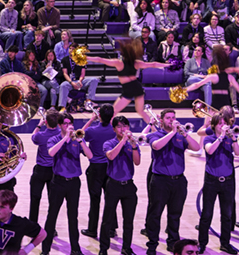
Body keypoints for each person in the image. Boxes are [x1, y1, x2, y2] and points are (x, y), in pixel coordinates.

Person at [144, 109, 200, 253]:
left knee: (175, 215)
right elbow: (156, 145)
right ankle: (152, 244)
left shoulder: (181, 136)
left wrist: (185, 134)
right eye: (168, 118)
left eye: (173, 117)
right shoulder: (154, 135)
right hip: (160, 181)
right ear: (161, 121)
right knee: (155, 214)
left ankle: (173, 243)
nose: (171, 120)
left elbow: (196, 147)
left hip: (179, 181)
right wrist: (173, 133)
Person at [41, 113, 93, 255]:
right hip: (58, 182)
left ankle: (75, 249)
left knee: (73, 216)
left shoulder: (77, 139)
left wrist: (81, 141)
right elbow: (51, 153)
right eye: (65, 123)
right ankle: (45, 250)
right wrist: (65, 138)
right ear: (59, 125)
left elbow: (90, 156)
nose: (68, 125)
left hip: (74, 184)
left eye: (70, 122)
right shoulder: (54, 139)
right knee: (52, 216)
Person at [87, 39, 170, 124]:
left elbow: (100, 59)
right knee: (140, 111)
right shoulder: (136, 63)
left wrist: (87, 57)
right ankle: (153, 128)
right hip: (136, 88)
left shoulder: (119, 63)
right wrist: (167, 65)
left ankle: (110, 129)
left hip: (129, 89)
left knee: (115, 112)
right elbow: (153, 64)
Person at [98, 115, 141, 255]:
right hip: (113, 185)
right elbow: (110, 156)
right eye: (119, 126)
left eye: (125, 126)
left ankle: (127, 248)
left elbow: (137, 162)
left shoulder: (133, 143)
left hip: (128, 186)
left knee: (129, 220)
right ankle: (103, 249)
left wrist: (134, 146)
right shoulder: (109, 143)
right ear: (114, 129)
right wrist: (123, 141)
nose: (123, 129)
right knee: (107, 219)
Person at [198, 114, 238, 254]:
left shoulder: (229, 138)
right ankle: (202, 244)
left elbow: (238, 153)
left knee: (226, 215)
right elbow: (210, 150)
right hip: (212, 181)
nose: (223, 126)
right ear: (214, 125)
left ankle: (225, 243)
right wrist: (221, 137)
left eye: (225, 123)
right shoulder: (209, 138)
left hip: (227, 181)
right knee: (207, 214)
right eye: (220, 123)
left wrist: (234, 139)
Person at [80, 105, 116, 238]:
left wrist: (90, 120)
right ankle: (111, 229)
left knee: (95, 200)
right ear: (112, 116)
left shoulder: (92, 130)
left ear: (99, 116)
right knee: (111, 198)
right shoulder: (115, 130)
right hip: (110, 168)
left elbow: (79, 135)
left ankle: (92, 229)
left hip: (95, 169)